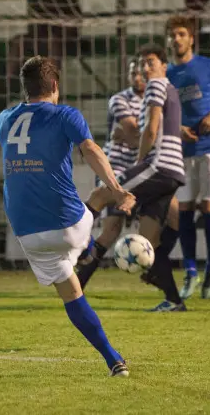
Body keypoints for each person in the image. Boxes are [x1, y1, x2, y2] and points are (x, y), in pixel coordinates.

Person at [0, 55, 133, 377]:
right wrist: (118, 191)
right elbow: (91, 150)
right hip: (68, 224)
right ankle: (88, 248)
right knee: (100, 195)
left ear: (24, 89)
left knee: (72, 293)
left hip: (26, 233)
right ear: (55, 86)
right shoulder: (65, 115)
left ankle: (114, 360)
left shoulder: (5, 118)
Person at [82, 44, 187, 312]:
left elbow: (148, 130)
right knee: (149, 237)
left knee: (101, 195)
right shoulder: (166, 89)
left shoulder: (155, 86)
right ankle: (174, 300)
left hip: (157, 166)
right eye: (141, 64)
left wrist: (142, 161)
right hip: (174, 172)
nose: (145, 69)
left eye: (150, 62)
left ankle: (71, 247)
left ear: (164, 65)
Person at [164, 15, 210, 299]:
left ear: (191, 38)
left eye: (181, 34)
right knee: (186, 210)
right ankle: (190, 271)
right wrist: (178, 129)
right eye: (172, 35)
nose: (176, 39)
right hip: (182, 150)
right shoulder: (166, 75)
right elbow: (160, 114)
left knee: (209, 206)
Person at [75, 60, 145, 285]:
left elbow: (139, 136)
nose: (137, 76)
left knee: (167, 217)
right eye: (132, 71)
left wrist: (137, 137)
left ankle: (187, 272)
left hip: (145, 168)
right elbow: (133, 130)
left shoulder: (158, 97)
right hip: (117, 168)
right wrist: (144, 136)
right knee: (112, 229)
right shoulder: (120, 99)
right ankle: (79, 277)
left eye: (140, 72)